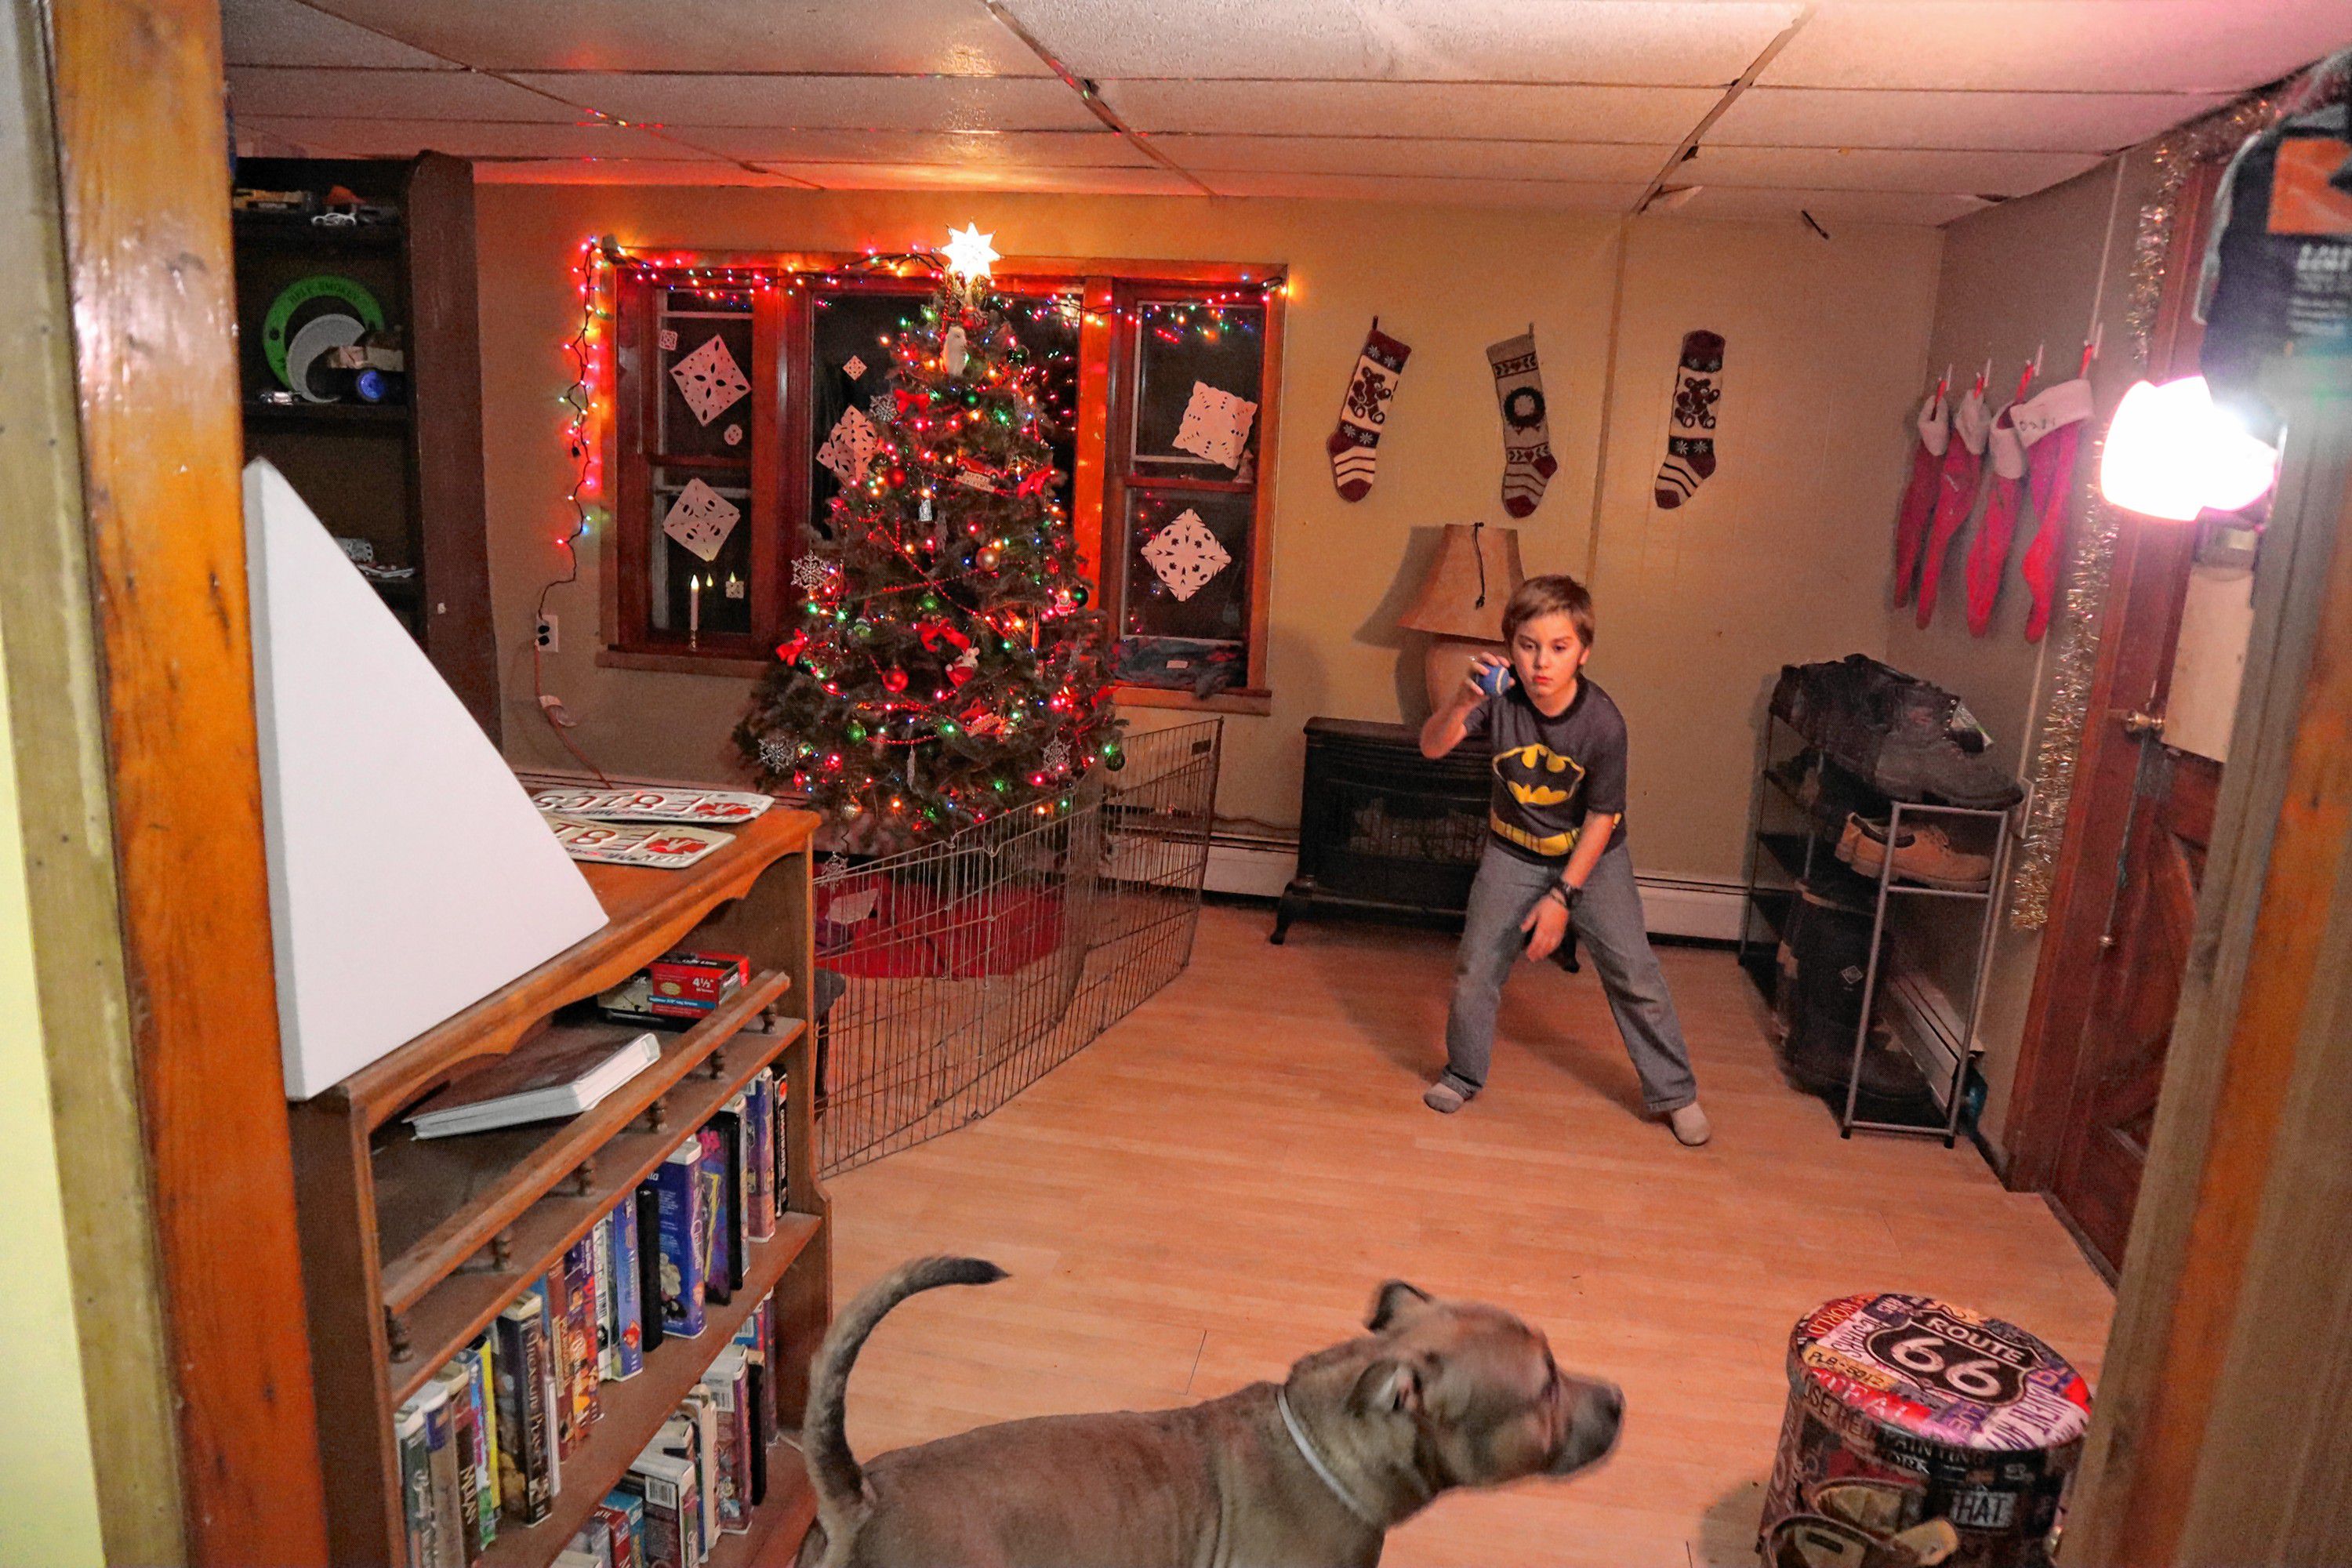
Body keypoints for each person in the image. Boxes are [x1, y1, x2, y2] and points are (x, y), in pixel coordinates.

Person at [1418, 574, 1711, 1145]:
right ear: (1510, 647)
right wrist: (1462, 700)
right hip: (1511, 851)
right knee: (1476, 968)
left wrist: (1562, 898)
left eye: (1558, 647)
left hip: (1592, 859)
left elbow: (1603, 819)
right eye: (1527, 646)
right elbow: (1432, 746)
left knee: (1635, 972)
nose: (1540, 663)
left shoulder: (1603, 723)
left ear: (1584, 651)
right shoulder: (1497, 698)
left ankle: (1676, 1094)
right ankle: (1462, 1073)